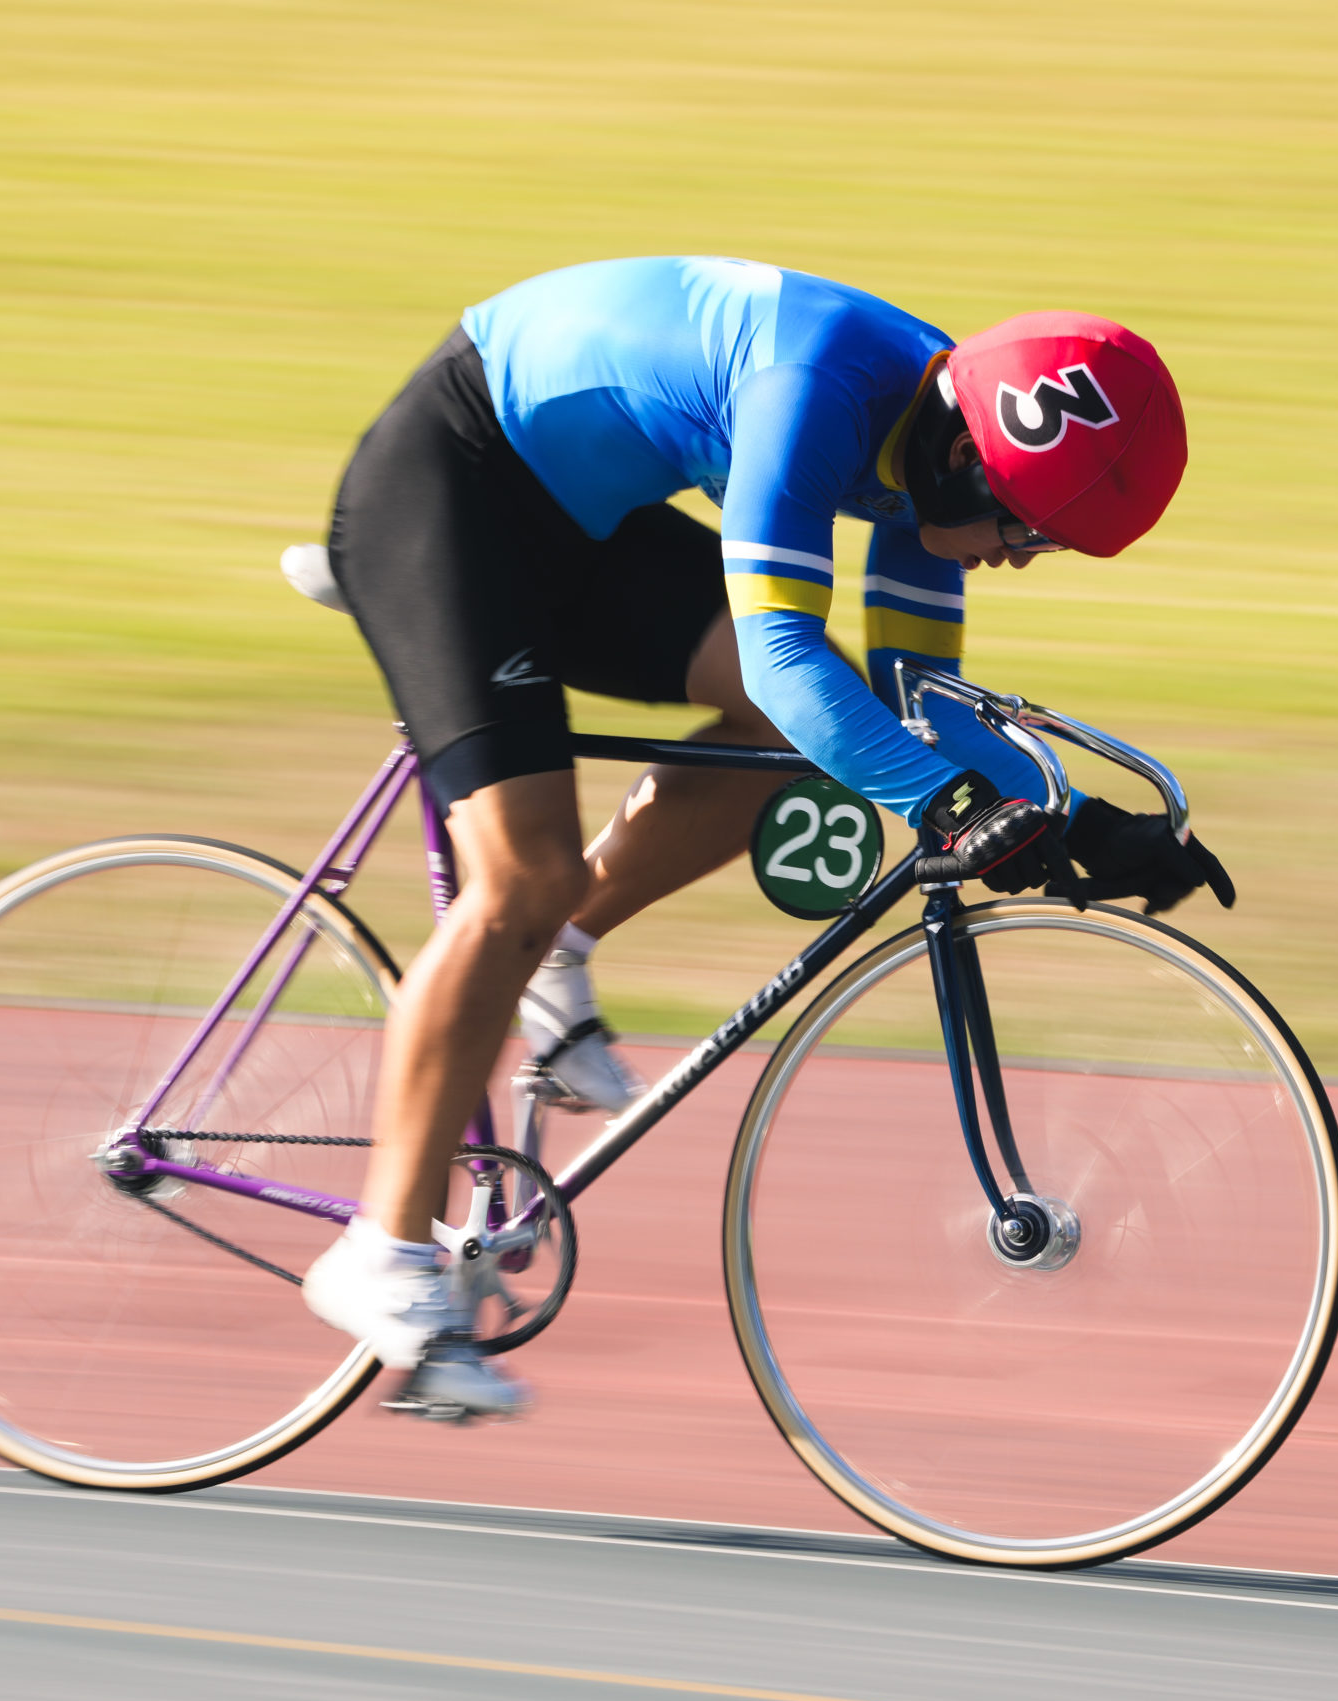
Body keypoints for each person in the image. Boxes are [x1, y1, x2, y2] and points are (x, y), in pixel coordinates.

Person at [298, 257, 1230, 1418]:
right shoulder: (819, 385)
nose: (1014, 558)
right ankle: (380, 1250)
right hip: (452, 481)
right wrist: (953, 812)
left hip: (574, 518)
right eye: (1025, 531)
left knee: (800, 739)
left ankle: (556, 956)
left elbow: (912, 701)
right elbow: (788, 666)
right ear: (963, 456)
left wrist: (1075, 821)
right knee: (520, 879)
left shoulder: (931, 436)